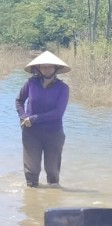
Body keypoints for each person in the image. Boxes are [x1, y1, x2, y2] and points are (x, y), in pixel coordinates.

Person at [16, 51, 71, 188]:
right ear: (38, 68)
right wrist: (23, 117)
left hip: (53, 133)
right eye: (43, 67)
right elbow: (19, 101)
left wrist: (33, 118)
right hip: (31, 132)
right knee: (31, 172)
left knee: (52, 172)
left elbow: (58, 113)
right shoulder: (30, 83)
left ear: (56, 68)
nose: (47, 70)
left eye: (50, 67)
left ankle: (53, 197)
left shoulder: (63, 88)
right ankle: (32, 201)